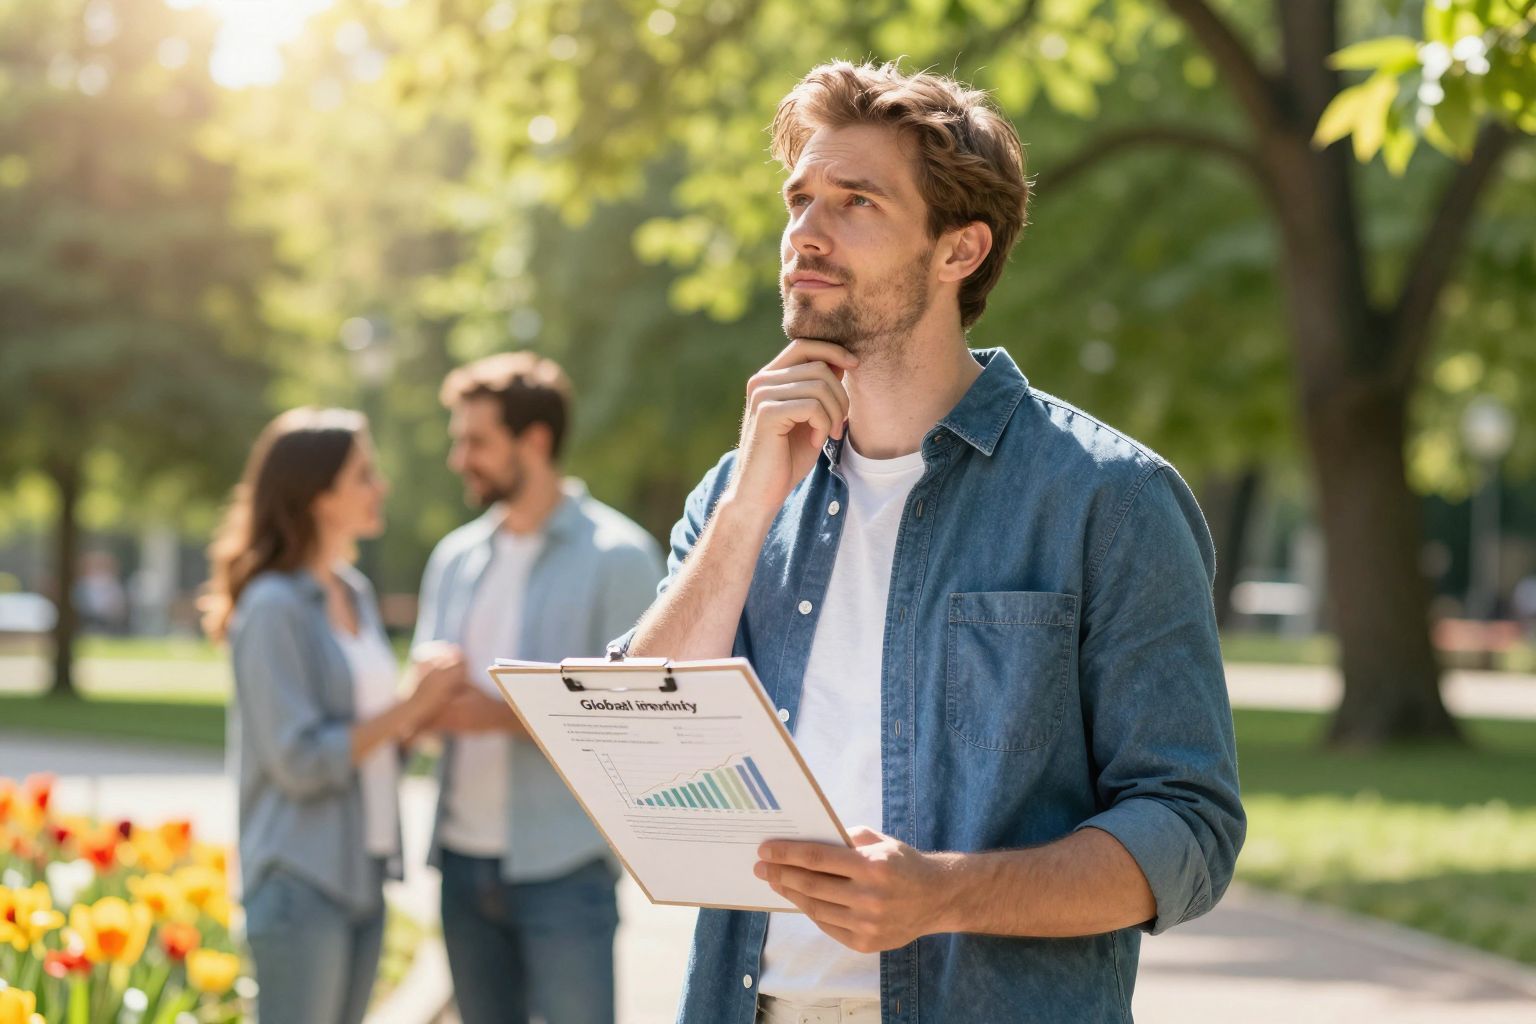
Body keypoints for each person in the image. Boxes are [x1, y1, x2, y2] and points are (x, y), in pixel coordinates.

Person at [615, 62, 1246, 1023]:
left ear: (960, 249)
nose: (805, 236)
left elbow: (1189, 831)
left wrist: (942, 893)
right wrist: (747, 512)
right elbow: (637, 752)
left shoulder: (1110, 499)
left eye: (856, 201)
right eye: (800, 200)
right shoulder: (738, 493)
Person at [413, 353, 665, 1024]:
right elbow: (426, 699)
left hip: (565, 866)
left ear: (536, 441)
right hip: (462, 865)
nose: (459, 458)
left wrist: (496, 715)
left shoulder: (620, 558)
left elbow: (636, 720)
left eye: (476, 441)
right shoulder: (455, 559)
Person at [204, 407, 468, 1024]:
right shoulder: (271, 607)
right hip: (300, 880)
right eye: (364, 475)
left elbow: (368, 745)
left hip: (362, 874)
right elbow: (297, 761)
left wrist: (415, 722)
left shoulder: (354, 592)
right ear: (318, 494)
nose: (381, 487)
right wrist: (410, 705)